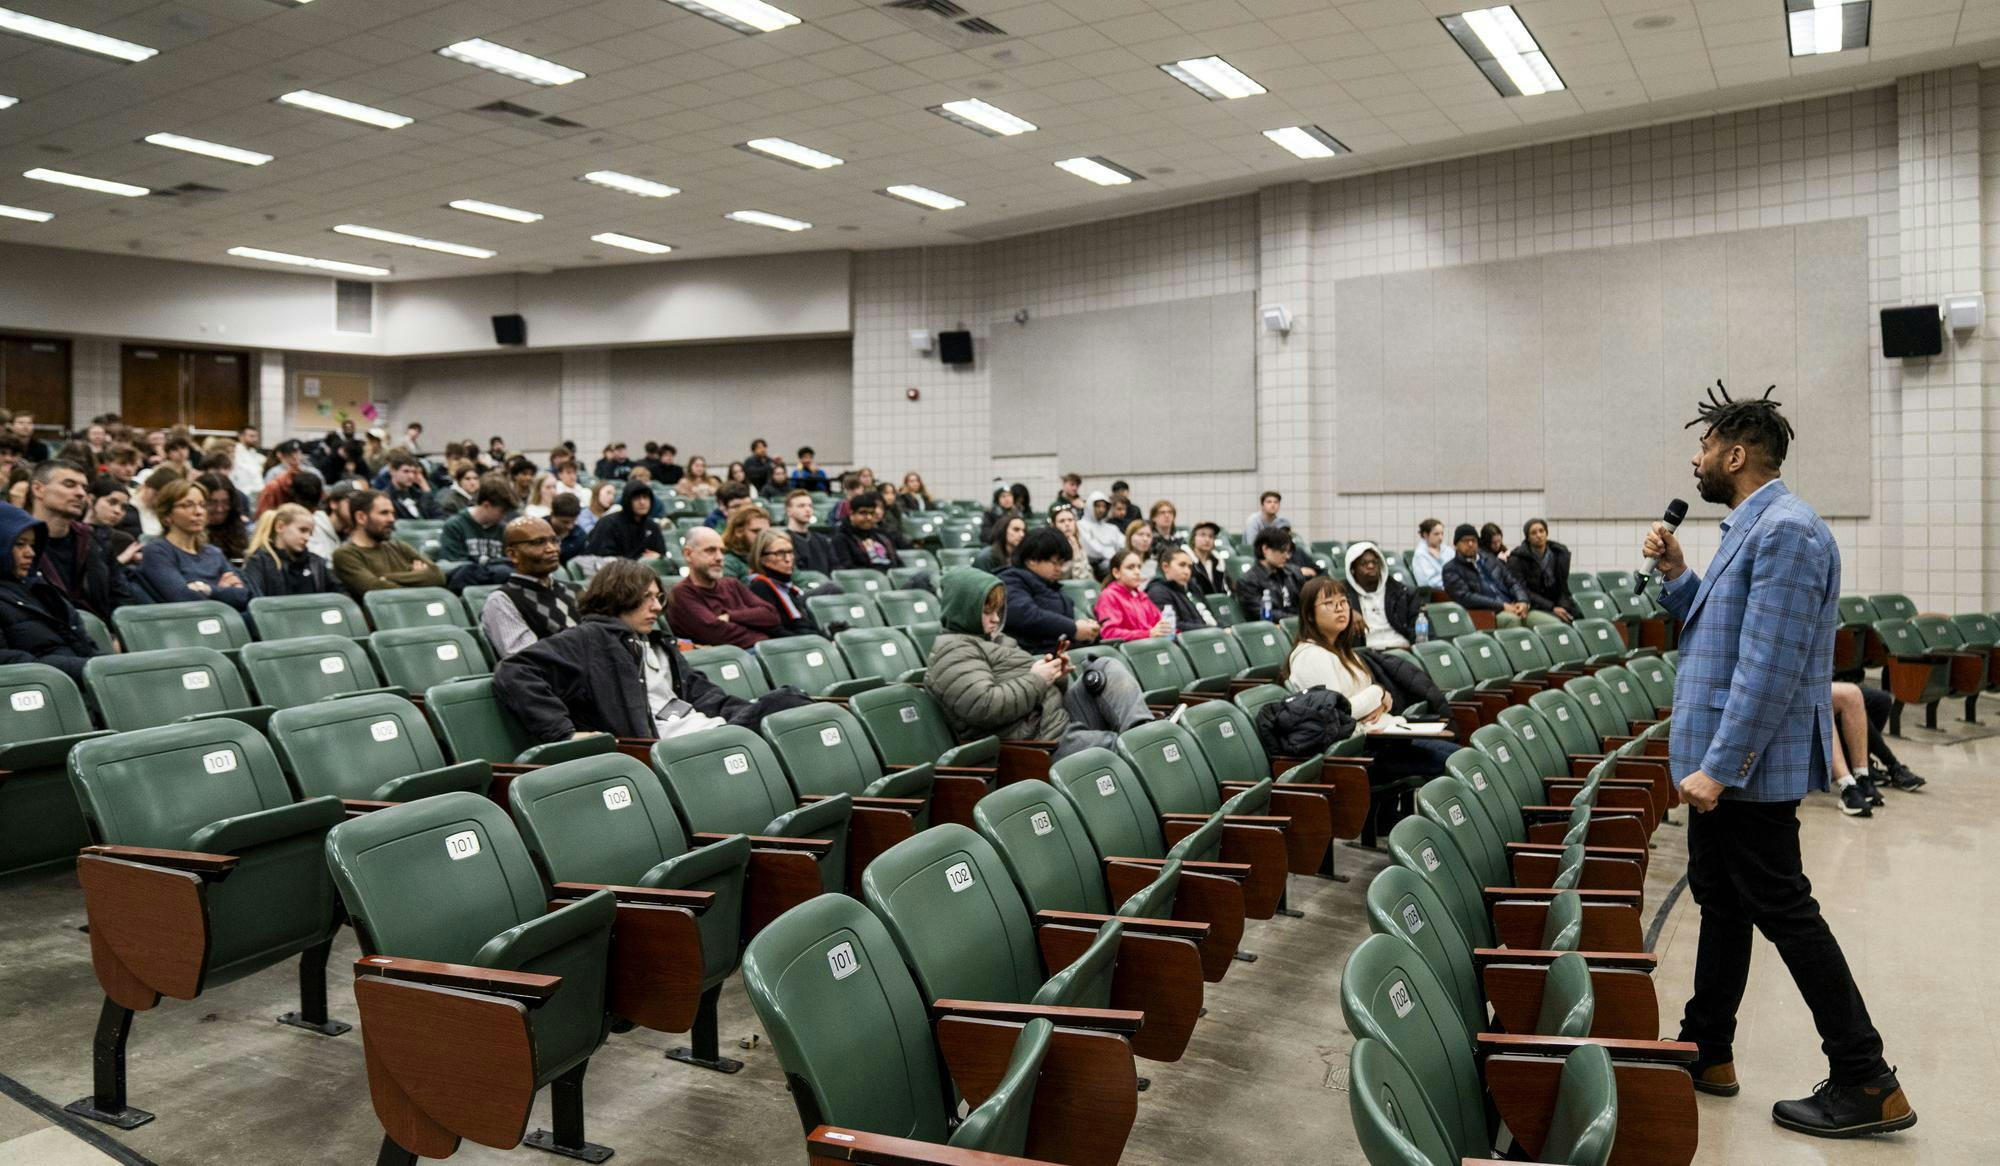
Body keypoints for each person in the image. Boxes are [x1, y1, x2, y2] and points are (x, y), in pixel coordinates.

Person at [1641, 382, 1912, 1137]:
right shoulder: (1748, 528)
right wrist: (1677, 577)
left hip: (1744, 772)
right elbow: (1716, 632)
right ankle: (1708, 1047)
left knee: (1785, 911)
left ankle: (1867, 1077)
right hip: (1724, 765)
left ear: (1734, 453)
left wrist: (1721, 767)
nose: (1694, 460)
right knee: (1722, 901)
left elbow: (1769, 666)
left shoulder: (1788, 532)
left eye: (1703, 448)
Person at [495, 560, 809, 745]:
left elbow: (706, 696)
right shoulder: (588, 638)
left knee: (791, 706)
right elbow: (515, 671)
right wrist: (565, 734)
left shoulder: (658, 642)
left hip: (709, 734)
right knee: (787, 703)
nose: (658, 607)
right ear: (618, 597)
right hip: (668, 752)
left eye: (659, 597)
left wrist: (744, 712)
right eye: (647, 598)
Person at [1282, 576, 1453, 843]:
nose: (1341, 609)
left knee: (1462, 757)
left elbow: (1364, 704)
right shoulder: (1310, 656)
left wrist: (1379, 697)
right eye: (1329, 603)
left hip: (1382, 738)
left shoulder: (1342, 650)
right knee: (1454, 764)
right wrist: (1377, 693)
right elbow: (1341, 712)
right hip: (1359, 754)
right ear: (1309, 614)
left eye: (1343, 602)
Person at [926, 569, 1153, 761]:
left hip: (1057, 718)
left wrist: (1055, 675)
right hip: (1036, 742)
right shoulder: (952, 652)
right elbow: (984, 706)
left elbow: (1031, 688)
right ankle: (1145, 745)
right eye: (987, 612)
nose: (995, 619)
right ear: (963, 609)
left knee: (1103, 666)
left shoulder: (997, 640)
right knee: (1120, 749)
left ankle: (1144, 731)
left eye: (997, 611)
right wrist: (1038, 679)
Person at [0, 503, 99, 680]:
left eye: (32, 545)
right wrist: (90, 669)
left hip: (81, 681)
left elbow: (82, 642)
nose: (30, 553)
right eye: (20, 544)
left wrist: (106, 669)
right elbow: (13, 665)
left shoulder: (39, 587)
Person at [30, 459, 130, 622]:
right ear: (38, 489)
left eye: (84, 487)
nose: (81, 493)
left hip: (103, 635)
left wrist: (120, 634)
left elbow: (120, 595)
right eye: (69, 484)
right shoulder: (15, 542)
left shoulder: (94, 540)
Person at [139, 478, 249, 609]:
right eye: (187, 505)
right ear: (167, 515)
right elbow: (182, 597)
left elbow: (244, 596)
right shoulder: (157, 552)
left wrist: (208, 589)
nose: (199, 512)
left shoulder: (214, 553)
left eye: (202, 505)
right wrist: (223, 591)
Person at [481, 516, 579, 659]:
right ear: (513, 554)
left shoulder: (575, 590)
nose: (552, 549)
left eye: (554, 540)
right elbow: (528, 661)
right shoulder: (503, 601)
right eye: (538, 542)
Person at [667, 526, 780, 649]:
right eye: (710, 550)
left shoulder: (732, 584)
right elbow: (716, 634)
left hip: (757, 649)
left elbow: (771, 615)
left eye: (722, 551)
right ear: (688, 554)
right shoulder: (681, 594)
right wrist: (758, 630)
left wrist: (731, 616)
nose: (719, 557)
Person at [995, 526, 1101, 655]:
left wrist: (1087, 631)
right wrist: (1074, 629)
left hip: (1060, 653)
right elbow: (1027, 615)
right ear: (1032, 559)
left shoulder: (1050, 585)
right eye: (1055, 563)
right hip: (1032, 658)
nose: (1059, 569)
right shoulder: (1010, 580)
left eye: (1061, 564)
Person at [331, 489, 448, 595]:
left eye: (392, 513)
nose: (391, 519)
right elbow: (377, 590)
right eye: (384, 513)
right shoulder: (345, 555)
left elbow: (437, 575)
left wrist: (386, 578)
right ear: (361, 517)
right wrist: (416, 576)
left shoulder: (399, 546)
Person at [1443, 523, 1545, 628]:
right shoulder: (1451, 569)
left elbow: (1512, 582)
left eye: (1473, 540)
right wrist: (1502, 606)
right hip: (1489, 612)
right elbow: (1466, 597)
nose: (1470, 544)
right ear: (1456, 544)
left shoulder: (1489, 559)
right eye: (1465, 541)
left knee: (1550, 623)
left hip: (1513, 606)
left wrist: (1522, 600)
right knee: (1512, 621)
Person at [240, 503, 337, 597]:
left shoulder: (316, 563)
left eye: (310, 533)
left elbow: (338, 594)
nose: (307, 537)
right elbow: (256, 602)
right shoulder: (259, 562)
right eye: (302, 530)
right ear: (280, 527)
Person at [437, 477, 514, 589]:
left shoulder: (503, 529)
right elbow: (454, 567)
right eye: (502, 512)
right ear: (486, 505)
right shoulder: (455, 525)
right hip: (467, 586)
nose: (504, 516)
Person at [1342, 541, 1420, 649]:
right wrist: (1347, 611)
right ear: (1352, 569)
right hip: (1367, 652)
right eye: (1363, 563)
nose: (1371, 566)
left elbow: (1418, 627)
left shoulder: (1403, 593)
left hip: (1401, 648)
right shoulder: (1341, 594)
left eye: (1375, 562)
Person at [744, 529, 820, 637]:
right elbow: (775, 632)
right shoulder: (760, 587)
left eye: (790, 552)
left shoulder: (786, 586)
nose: (788, 559)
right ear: (761, 558)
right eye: (780, 553)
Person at [1507, 518, 1575, 623]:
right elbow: (1523, 591)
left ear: (1546, 533)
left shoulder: (1559, 554)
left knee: (1580, 617)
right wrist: (1552, 608)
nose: (1539, 535)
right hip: (1534, 605)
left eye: (1541, 531)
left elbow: (1563, 587)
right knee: (1558, 622)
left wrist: (1563, 607)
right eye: (1533, 533)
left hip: (1556, 602)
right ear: (1528, 538)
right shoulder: (1517, 559)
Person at [1093, 549, 1171, 642]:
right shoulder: (1109, 596)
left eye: (1139, 567)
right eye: (1130, 567)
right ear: (1116, 573)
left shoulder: (1141, 596)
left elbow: (1161, 622)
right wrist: (1148, 634)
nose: (1137, 572)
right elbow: (1109, 632)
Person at [1235, 526, 1305, 622]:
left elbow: (1306, 603)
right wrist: (1298, 619)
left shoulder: (1293, 573)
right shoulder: (1248, 581)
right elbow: (1265, 614)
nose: (1287, 556)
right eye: (1282, 551)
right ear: (1265, 549)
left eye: (1288, 551)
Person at [828, 493, 907, 576]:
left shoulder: (882, 536)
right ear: (851, 514)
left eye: (872, 513)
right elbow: (847, 570)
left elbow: (898, 564)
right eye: (863, 513)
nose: (869, 517)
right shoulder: (841, 539)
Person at [587, 480, 666, 560]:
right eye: (637, 498)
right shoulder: (608, 523)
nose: (642, 502)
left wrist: (659, 557)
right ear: (628, 501)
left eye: (645, 497)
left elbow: (662, 554)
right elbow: (601, 558)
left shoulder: (652, 526)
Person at [1147, 547, 1213, 630]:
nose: (1187, 571)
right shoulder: (1158, 592)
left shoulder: (1189, 588)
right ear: (1165, 567)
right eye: (1182, 565)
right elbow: (1173, 626)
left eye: (1189, 567)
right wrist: (1213, 629)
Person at [87, 477, 140, 571]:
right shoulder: (70, 534)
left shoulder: (123, 541)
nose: (118, 511)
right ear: (91, 500)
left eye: (123, 508)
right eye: (112, 502)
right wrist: (120, 561)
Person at [781, 489, 836, 575]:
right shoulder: (782, 540)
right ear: (788, 511)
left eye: (810, 506)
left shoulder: (822, 540)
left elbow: (835, 568)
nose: (808, 509)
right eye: (801, 506)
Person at [384, 452, 443, 520]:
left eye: (414, 472)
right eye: (406, 471)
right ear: (392, 471)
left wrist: (423, 485)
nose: (411, 476)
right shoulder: (387, 498)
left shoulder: (418, 495)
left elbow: (438, 515)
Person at [308, 479, 356, 561]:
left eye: (360, 503)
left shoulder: (354, 535)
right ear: (334, 504)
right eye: (351, 502)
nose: (356, 507)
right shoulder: (312, 528)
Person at [720, 504, 771, 580]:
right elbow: (729, 590)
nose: (763, 537)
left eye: (767, 532)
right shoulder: (728, 563)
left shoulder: (775, 556)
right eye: (756, 531)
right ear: (739, 531)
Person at [1047, 503, 1096, 581]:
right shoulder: (1049, 547)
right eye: (1062, 521)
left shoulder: (1078, 545)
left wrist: (1076, 551)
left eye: (1070, 520)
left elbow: (1087, 578)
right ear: (1054, 525)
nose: (1067, 524)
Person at [1078, 491, 1124, 564]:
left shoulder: (1111, 528)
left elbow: (1123, 543)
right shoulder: (1081, 526)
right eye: (1098, 506)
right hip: (1095, 564)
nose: (1101, 510)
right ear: (1090, 506)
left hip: (1115, 560)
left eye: (1104, 506)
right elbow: (1092, 550)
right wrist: (1113, 554)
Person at [1187, 521, 1230, 596]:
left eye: (1211, 536)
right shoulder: (1186, 561)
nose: (1207, 540)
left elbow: (1224, 589)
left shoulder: (1218, 561)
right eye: (1202, 535)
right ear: (1193, 538)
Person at [1410, 518, 1448, 592]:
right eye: (1436, 534)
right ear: (1426, 535)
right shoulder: (1420, 555)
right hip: (1434, 594)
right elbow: (1430, 582)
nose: (1440, 538)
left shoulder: (1447, 550)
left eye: (1442, 533)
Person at [230, 425, 266, 499]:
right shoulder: (234, 452)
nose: (255, 439)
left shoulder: (254, 453)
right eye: (251, 436)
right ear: (241, 436)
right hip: (243, 492)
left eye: (256, 436)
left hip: (258, 491)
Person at [550, 493, 587, 563]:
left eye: (573, 521)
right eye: (565, 522)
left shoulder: (580, 536)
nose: (570, 526)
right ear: (552, 515)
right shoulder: (537, 530)